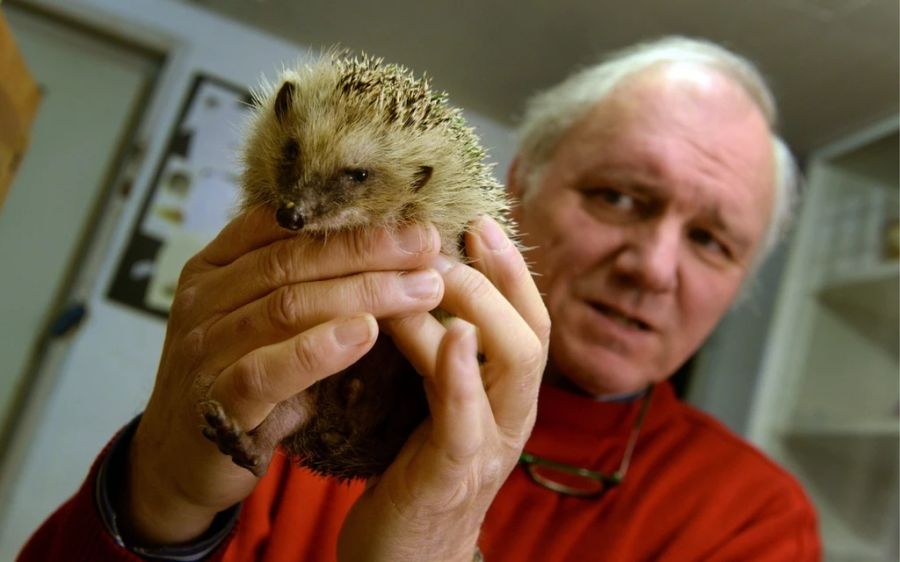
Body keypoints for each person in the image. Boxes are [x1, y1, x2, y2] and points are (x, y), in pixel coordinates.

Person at [18, 36, 820, 561]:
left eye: (712, 241)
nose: (651, 265)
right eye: (617, 197)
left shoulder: (752, 522)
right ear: (515, 186)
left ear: (744, 281)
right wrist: (156, 499)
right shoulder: (297, 355)